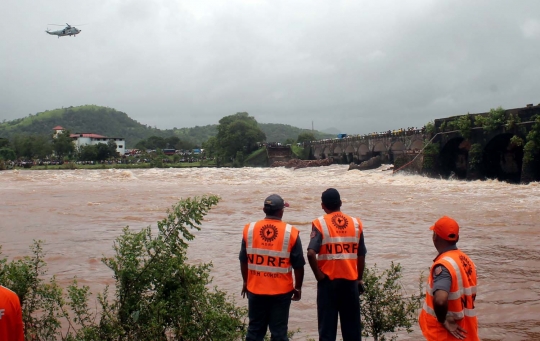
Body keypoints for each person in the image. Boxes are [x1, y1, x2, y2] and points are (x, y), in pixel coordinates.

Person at [239, 194, 305, 341]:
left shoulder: (250, 229)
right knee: (279, 333)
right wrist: (298, 288)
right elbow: (299, 265)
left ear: (264, 210)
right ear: (281, 211)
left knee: (254, 331)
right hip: (281, 292)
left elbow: (243, 260)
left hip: (255, 289)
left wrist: (246, 282)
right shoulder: (291, 232)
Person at [307, 188, 366, 341]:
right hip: (350, 283)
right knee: (352, 333)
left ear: (322, 205)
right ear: (340, 203)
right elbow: (361, 254)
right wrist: (359, 279)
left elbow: (311, 253)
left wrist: (319, 276)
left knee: (327, 333)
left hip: (328, 284)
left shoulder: (319, 224)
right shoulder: (356, 223)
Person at [419, 216, 479, 341]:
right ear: (457, 238)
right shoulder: (467, 261)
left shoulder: (444, 266)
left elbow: (440, 300)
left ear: (435, 237)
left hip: (445, 336)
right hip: (467, 332)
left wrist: (443, 319)